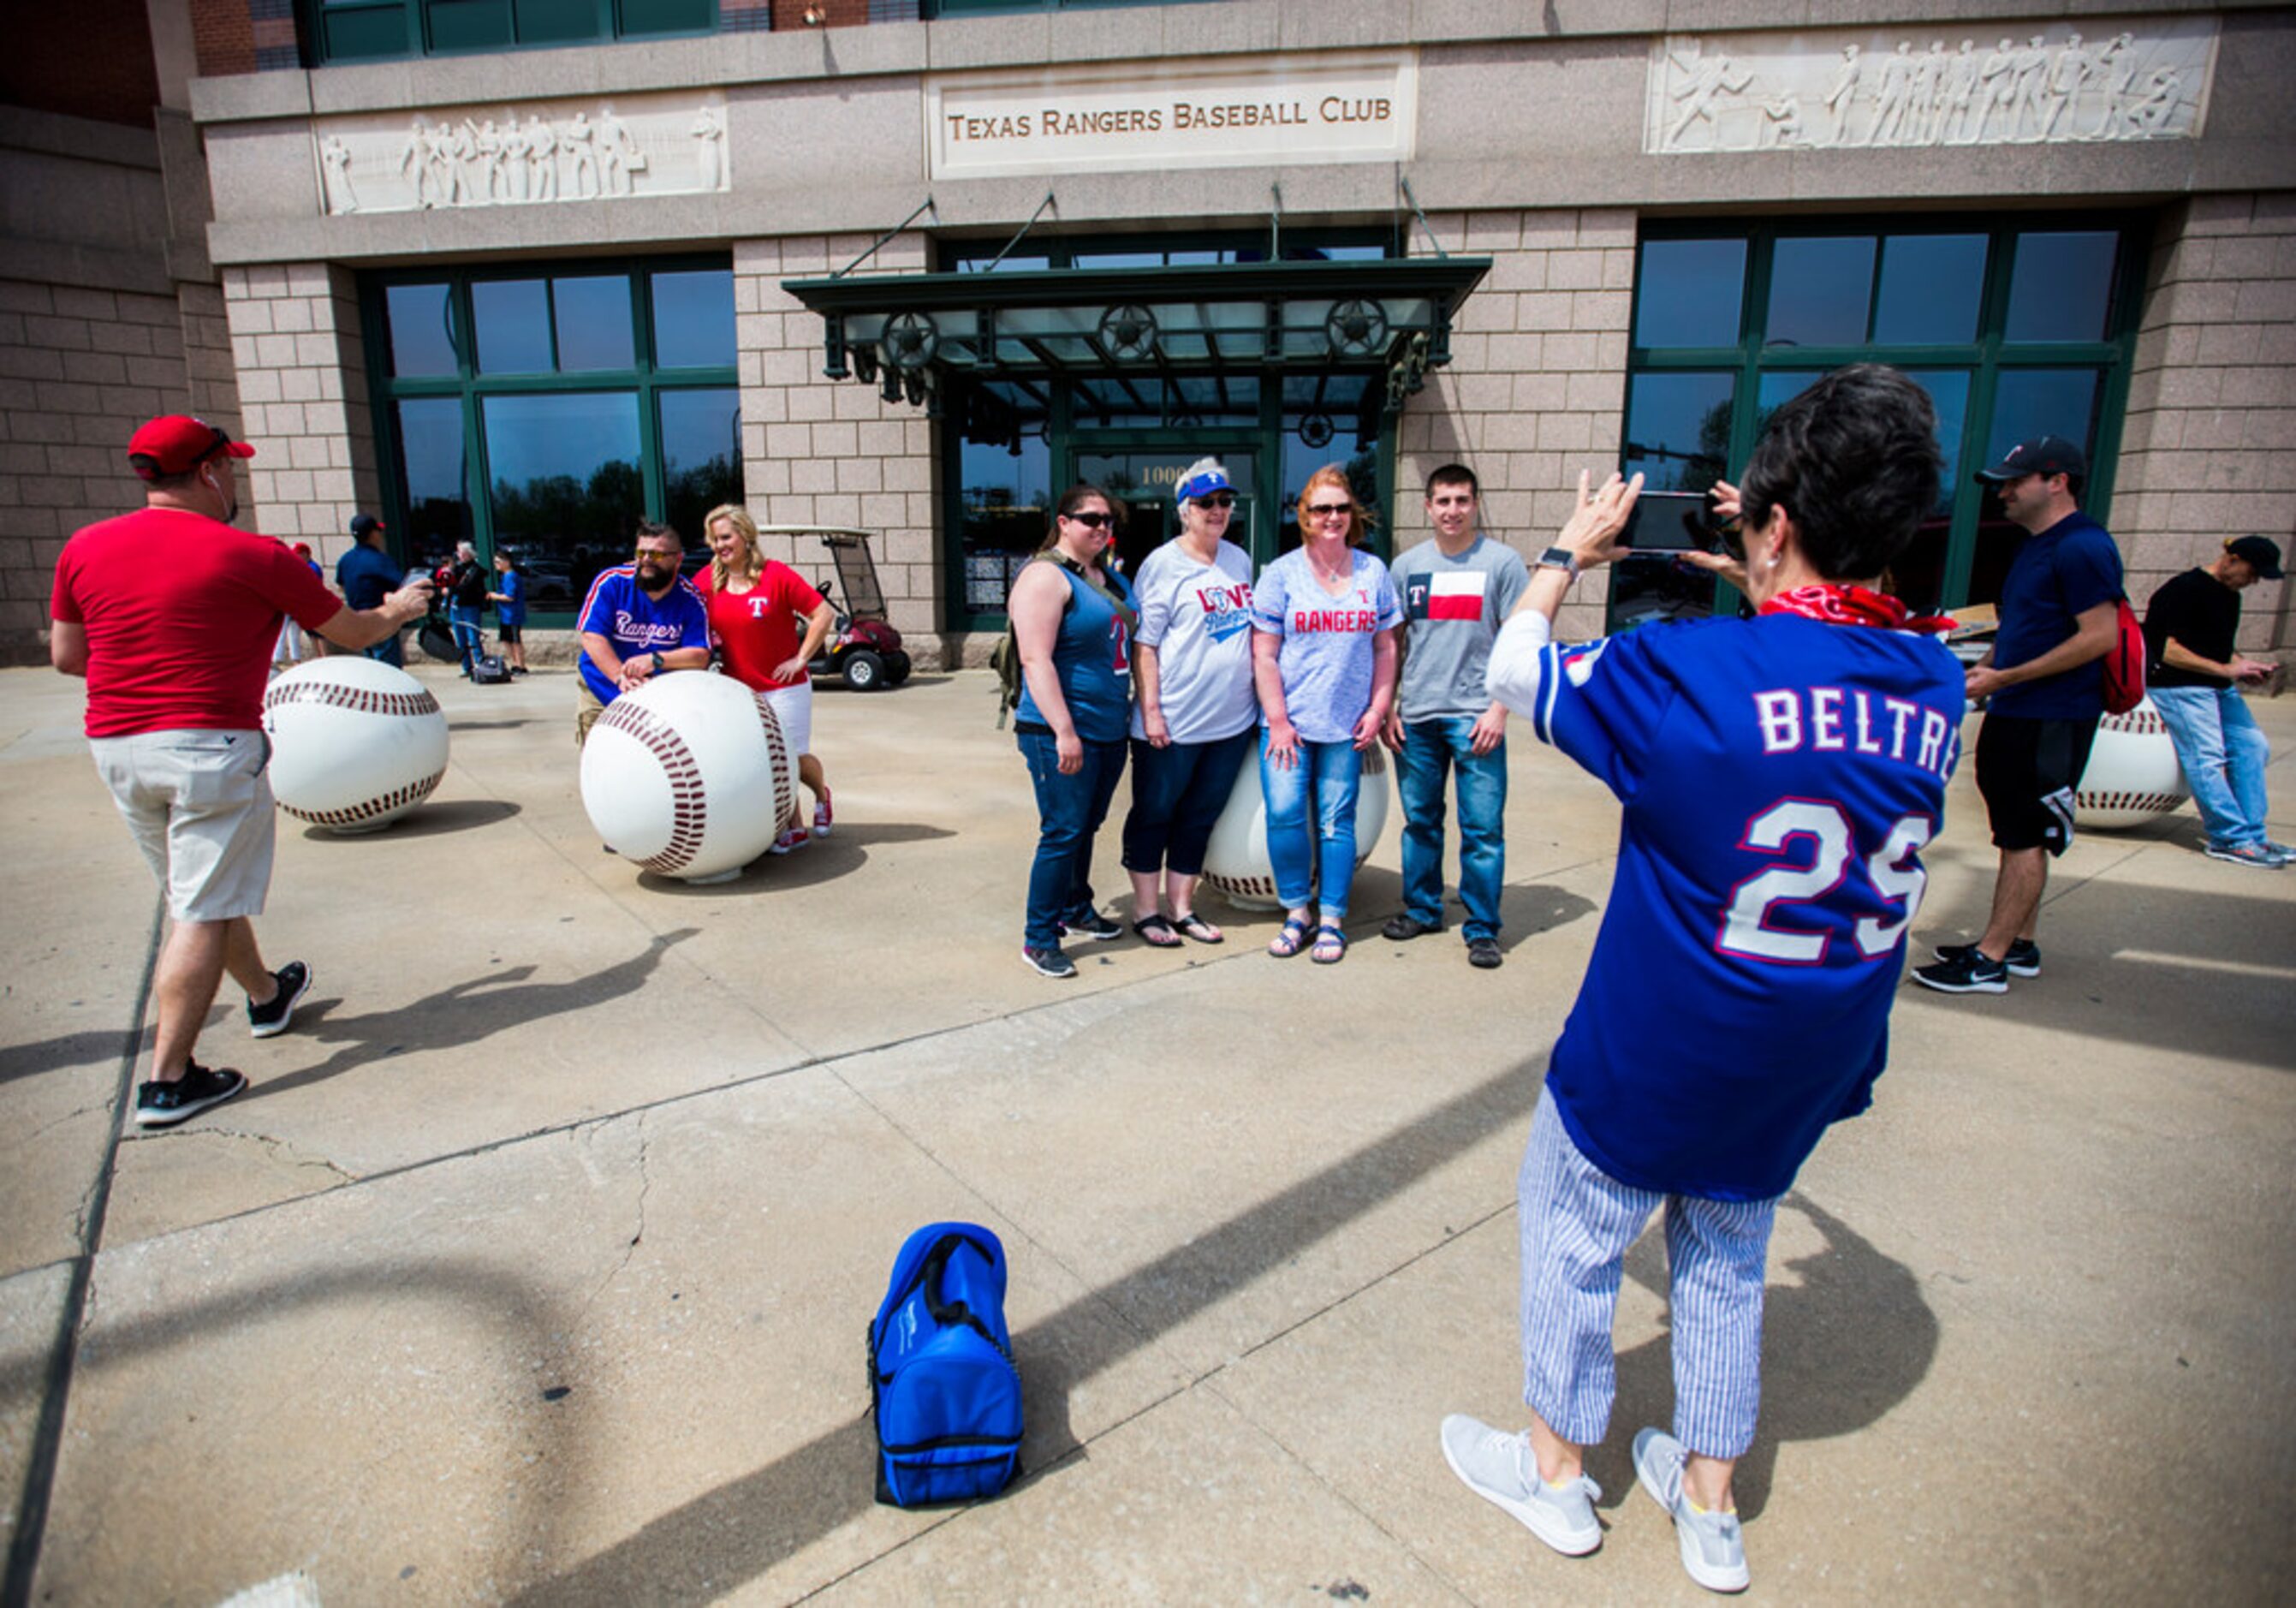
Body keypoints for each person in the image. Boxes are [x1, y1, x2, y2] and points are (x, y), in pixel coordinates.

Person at [1442, 365, 1962, 1593]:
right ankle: (1708, 1504)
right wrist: (1768, 574)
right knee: (1723, 1255)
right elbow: (1831, 662)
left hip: (1659, 1044)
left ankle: (1557, 1473)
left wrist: (1569, 552)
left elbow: (1520, 673)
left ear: (1770, 522)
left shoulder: (1686, 671)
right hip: (1807, 1053)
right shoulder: (1936, 684)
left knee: (1574, 1240)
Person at [48, 415, 431, 1127]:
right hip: (209, 747)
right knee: (199, 910)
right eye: (232, 468)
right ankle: (168, 1080)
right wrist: (400, 609)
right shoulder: (250, 554)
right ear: (207, 473)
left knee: (201, 890)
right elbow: (351, 633)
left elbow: (69, 657)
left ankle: (264, 995)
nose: (235, 481)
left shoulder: (84, 547)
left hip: (117, 746)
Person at [1912, 435, 2121, 993]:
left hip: (2052, 714)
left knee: (2025, 833)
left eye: (2014, 480)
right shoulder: (2035, 545)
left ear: (2058, 482)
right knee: (2016, 829)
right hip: (2019, 705)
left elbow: (2101, 636)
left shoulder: (2082, 546)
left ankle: (1990, 960)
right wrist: (1983, 672)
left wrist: (2005, 678)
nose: (2002, 492)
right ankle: (2019, 943)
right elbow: (2019, 627)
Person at [1250, 466, 1401, 964]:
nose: (1332, 517)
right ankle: (1297, 912)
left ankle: (1333, 916)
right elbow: (1264, 654)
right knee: (1286, 815)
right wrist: (1277, 718)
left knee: (1337, 822)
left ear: (1351, 514)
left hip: (1346, 726)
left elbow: (1386, 648)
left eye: (1340, 508)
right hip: (1288, 725)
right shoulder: (1281, 574)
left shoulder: (1373, 572)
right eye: (1321, 509)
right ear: (1305, 517)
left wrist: (1379, 707)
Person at [1382, 463, 1529, 969]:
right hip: (1418, 717)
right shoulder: (1406, 568)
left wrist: (1499, 710)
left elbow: (1519, 643)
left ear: (1476, 502)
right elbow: (1393, 645)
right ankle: (1422, 909)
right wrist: (1389, 707)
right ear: (1428, 506)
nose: (1452, 511)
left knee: (1482, 827)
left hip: (1476, 719)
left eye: (1462, 500)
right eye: (1442, 501)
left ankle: (1483, 927)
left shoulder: (1503, 564)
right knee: (1421, 821)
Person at [1119, 459, 1258, 948]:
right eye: (1205, 503)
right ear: (1184, 511)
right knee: (1154, 813)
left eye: (1224, 501)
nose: (1217, 510)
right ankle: (1145, 910)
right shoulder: (1162, 565)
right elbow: (1146, 645)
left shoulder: (1238, 560)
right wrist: (1152, 710)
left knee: (1200, 815)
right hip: (1173, 724)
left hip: (1230, 723)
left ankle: (1181, 908)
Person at [1009, 485, 1137, 980]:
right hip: (1058, 729)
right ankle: (1039, 937)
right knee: (1062, 830)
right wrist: (1065, 731)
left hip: (1108, 727)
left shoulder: (1108, 578)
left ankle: (1076, 907)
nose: (1102, 527)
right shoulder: (1045, 576)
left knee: (1086, 825)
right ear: (1063, 522)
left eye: (1108, 520)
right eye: (1091, 519)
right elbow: (1035, 658)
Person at [696, 503, 838, 855]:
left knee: (794, 757)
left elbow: (822, 613)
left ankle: (822, 795)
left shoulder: (776, 575)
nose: (720, 545)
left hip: (785, 688)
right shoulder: (705, 582)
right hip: (739, 690)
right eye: (714, 539)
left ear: (745, 536)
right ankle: (792, 825)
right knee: (767, 761)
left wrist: (801, 658)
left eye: (726, 537)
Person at [2141, 535, 2287, 867]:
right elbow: (2166, 650)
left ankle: (2253, 836)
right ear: (2232, 558)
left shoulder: (2229, 596)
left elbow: (2220, 648)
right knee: (2208, 757)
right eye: (2252, 572)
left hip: (2218, 687)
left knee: (2253, 746)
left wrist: (2242, 665)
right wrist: (2225, 668)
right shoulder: (2182, 589)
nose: (2253, 581)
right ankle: (2229, 838)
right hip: (2179, 687)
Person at [574, 521, 711, 747]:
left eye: (657, 554)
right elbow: (592, 636)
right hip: (602, 688)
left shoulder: (690, 599)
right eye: (642, 553)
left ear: (678, 560)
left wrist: (654, 660)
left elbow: (699, 655)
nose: (647, 559)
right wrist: (619, 675)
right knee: (600, 765)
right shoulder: (612, 582)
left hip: (658, 699)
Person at [336, 513, 406, 665]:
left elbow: (341, 585)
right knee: (388, 670)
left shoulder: (345, 560)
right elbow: (402, 587)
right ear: (373, 534)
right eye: (378, 531)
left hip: (359, 620)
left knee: (371, 666)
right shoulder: (380, 560)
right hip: (382, 619)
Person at [271, 541, 323, 673]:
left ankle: (281, 658)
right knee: (290, 631)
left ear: (305, 554)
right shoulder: (302, 566)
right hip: (294, 604)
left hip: (301, 605)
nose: (295, 557)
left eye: (298, 554)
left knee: (289, 630)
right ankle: (292, 659)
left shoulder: (312, 568)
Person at [446, 539, 489, 677]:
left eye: (461, 552)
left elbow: (467, 586)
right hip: (456, 607)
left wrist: (454, 588)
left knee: (473, 637)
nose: (459, 555)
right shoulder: (456, 569)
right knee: (460, 638)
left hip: (470, 607)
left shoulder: (476, 570)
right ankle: (466, 666)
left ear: (467, 553)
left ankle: (480, 664)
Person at [487, 548, 529, 676]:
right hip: (505, 614)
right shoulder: (505, 576)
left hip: (513, 614)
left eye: (498, 562)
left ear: (507, 562)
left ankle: (521, 665)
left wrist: (494, 596)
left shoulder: (511, 576)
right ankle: (514, 663)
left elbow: (510, 596)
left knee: (515, 641)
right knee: (506, 640)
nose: (496, 565)